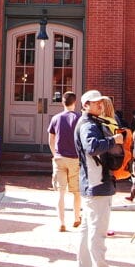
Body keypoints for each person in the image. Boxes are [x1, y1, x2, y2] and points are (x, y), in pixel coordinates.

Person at [74, 89, 125, 267]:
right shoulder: (88, 124)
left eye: (101, 103)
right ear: (85, 105)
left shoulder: (88, 122)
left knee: (88, 228)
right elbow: (92, 147)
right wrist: (114, 140)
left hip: (91, 182)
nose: (100, 106)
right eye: (96, 103)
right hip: (97, 182)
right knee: (98, 230)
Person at [47, 91, 82, 232]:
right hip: (75, 158)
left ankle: (61, 222)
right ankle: (77, 217)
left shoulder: (56, 118)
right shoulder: (80, 118)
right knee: (76, 192)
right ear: (75, 102)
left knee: (60, 192)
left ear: (63, 102)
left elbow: (51, 140)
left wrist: (55, 154)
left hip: (60, 158)